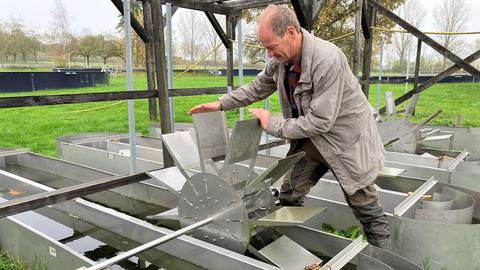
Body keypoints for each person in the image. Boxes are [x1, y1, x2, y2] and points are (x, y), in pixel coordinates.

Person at [188, 4, 390, 249]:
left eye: (271, 46)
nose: (269, 54)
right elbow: (258, 87)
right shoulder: (281, 60)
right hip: (311, 141)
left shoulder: (327, 59)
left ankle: (382, 255)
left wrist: (270, 123)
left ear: (292, 32)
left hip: (345, 142)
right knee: (289, 194)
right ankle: (286, 250)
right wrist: (220, 104)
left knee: (364, 204)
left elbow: (320, 121)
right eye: (265, 48)